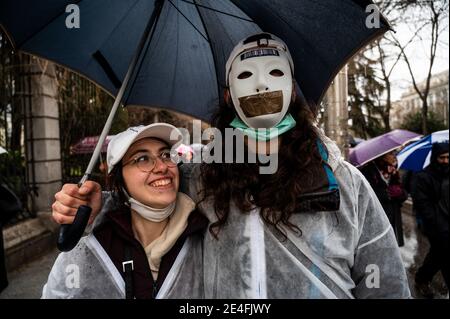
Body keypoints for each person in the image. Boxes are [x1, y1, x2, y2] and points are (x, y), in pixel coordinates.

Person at [52, 33, 410, 298]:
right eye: (245, 76)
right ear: (228, 97)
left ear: (292, 90)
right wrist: (96, 207)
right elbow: (150, 193)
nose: (259, 84)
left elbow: (387, 283)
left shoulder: (341, 182)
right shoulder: (203, 176)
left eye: (274, 73)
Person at [43, 123, 208, 299]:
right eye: (142, 159)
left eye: (166, 155)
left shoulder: (207, 239)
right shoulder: (82, 256)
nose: (162, 167)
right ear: (119, 181)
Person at [412, 142, 449, 298]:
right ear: (435, 158)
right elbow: (422, 204)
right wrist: (436, 225)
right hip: (435, 226)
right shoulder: (423, 177)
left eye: (448, 157)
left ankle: (421, 278)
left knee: (437, 255)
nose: (446, 161)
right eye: (442, 158)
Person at [360, 152, 407, 246]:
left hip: (392, 217)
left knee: (390, 247)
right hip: (376, 219)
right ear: (382, 156)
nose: (394, 156)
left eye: (394, 153)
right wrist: (386, 194)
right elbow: (366, 195)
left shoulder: (393, 170)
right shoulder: (368, 171)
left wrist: (400, 193)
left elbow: (404, 193)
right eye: (390, 154)